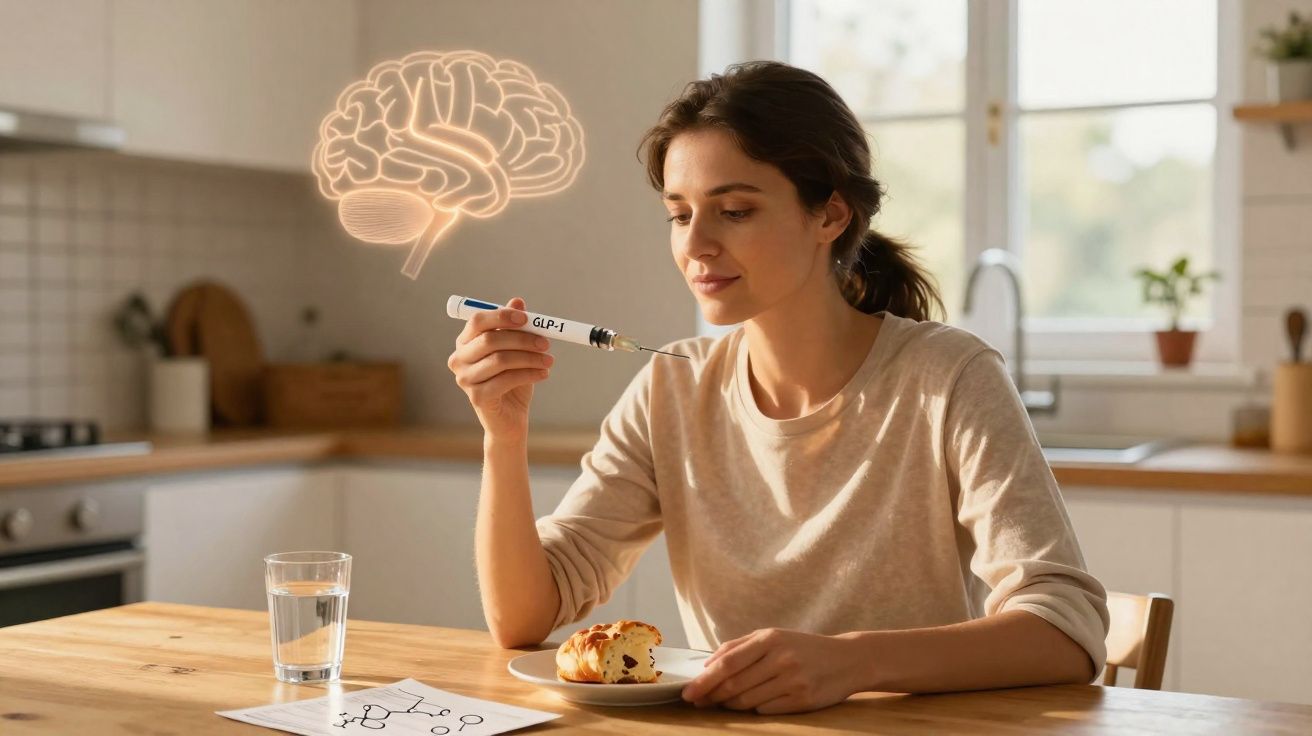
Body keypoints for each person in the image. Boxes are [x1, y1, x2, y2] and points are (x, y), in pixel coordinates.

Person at [446, 61, 1108, 715]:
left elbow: (1067, 629)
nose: (696, 244)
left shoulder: (948, 378)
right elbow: (525, 618)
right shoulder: (671, 386)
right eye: (679, 216)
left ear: (830, 216)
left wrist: (853, 662)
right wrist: (502, 436)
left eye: (733, 211)